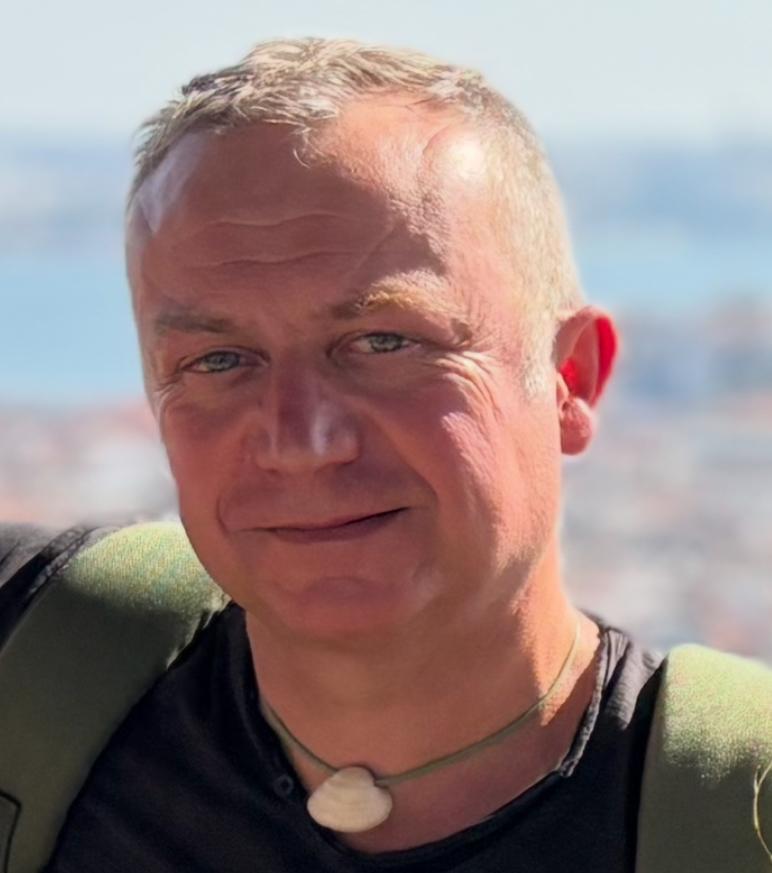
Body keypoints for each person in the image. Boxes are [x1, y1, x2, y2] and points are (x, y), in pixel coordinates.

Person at [0, 38, 769, 873]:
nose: (301, 441)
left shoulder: (738, 815)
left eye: (383, 341)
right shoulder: (32, 660)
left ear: (569, 379)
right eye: (219, 361)